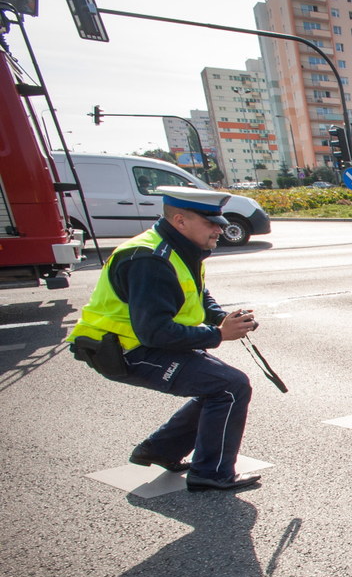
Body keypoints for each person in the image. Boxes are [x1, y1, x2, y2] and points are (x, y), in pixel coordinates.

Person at [68, 186, 262, 492]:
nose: (220, 229)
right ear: (180, 221)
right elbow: (154, 332)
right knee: (229, 385)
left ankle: (161, 450)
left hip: (136, 343)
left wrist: (221, 318)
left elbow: (196, 295)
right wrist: (219, 334)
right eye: (211, 222)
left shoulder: (177, 248)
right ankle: (210, 473)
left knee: (218, 384)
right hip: (122, 349)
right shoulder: (150, 260)